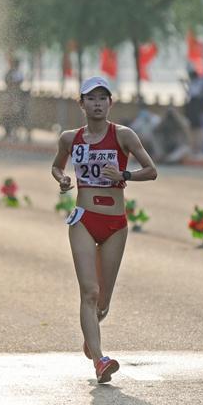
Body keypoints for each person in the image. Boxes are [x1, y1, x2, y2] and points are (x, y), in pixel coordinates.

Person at [51, 76, 158, 383]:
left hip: (115, 224)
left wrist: (124, 174)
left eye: (102, 98)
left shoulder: (123, 135)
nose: (97, 104)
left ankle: (92, 335)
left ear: (110, 103)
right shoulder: (70, 139)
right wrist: (62, 179)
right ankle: (100, 361)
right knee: (90, 292)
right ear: (81, 104)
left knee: (102, 303)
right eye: (91, 98)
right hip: (84, 220)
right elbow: (57, 165)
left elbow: (151, 170)